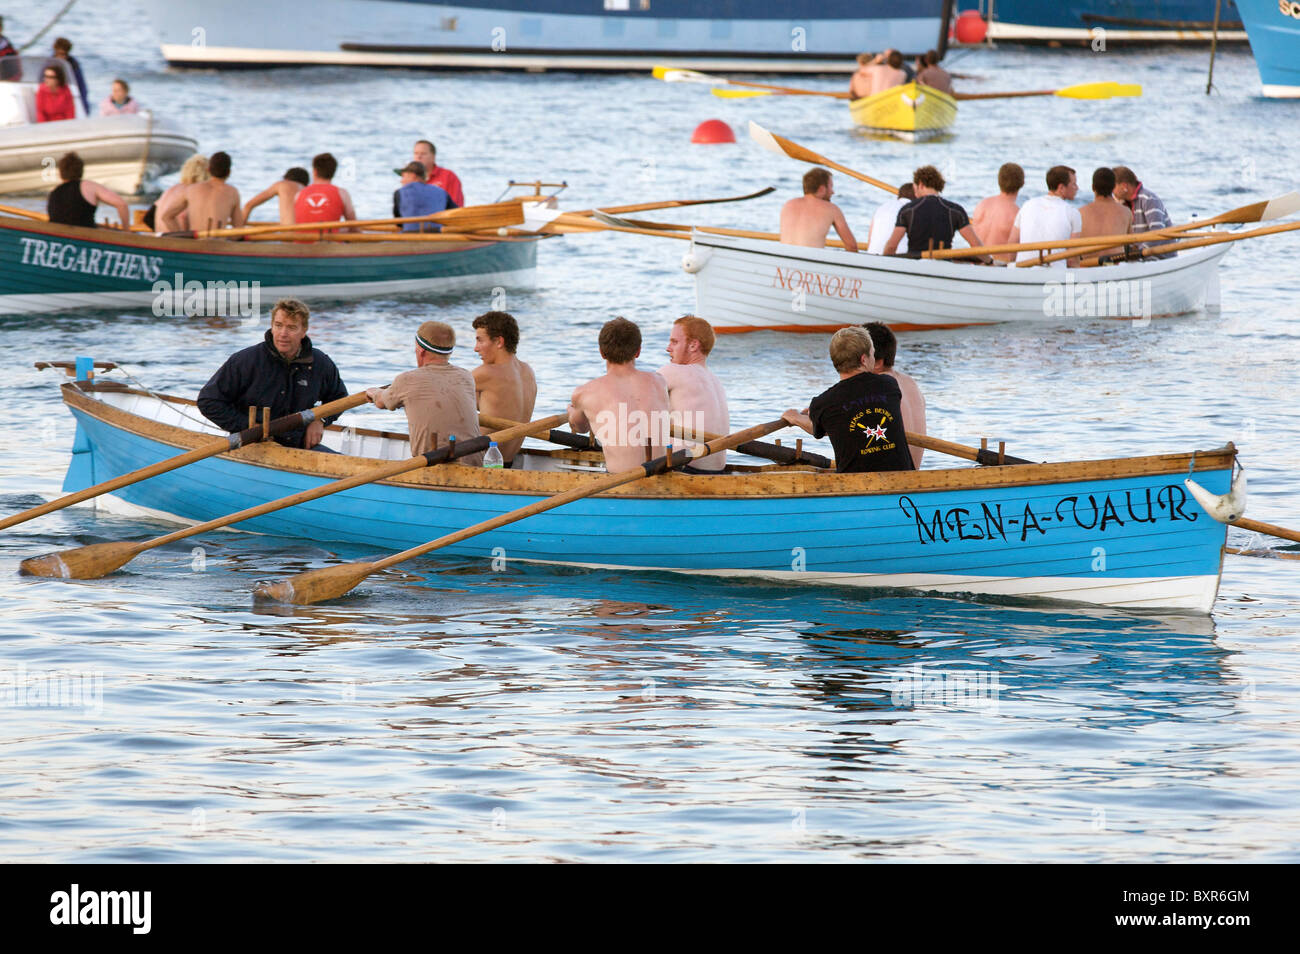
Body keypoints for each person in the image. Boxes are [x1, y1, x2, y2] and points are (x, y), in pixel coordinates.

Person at [197, 298, 348, 451]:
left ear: (304, 331)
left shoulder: (320, 363)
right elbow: (208, 401)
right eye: (278, 325)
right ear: (271, 326)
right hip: (250, 446)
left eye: (291, 327)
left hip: (299, 447)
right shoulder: (245, 360)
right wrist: (249, 428)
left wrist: (320, 420)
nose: (283, 333)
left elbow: (340, 398)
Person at [782, 326, 913, 473]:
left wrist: (795, 417)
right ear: (864, 359)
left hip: (855, 486)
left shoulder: (823, 403)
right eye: (872, 354)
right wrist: (818, 413)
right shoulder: (889, 384)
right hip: (904, 479)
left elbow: (820, 428)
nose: (874, 358)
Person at [367, 321, 484, 464]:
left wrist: (374, 392)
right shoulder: (466, 376)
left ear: (421, 351)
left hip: (434, 463)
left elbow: (380, 402)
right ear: (450, 352)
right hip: (476, 462)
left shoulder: (406, 379)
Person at [569, 317, 671, 473]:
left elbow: (580, 428)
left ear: (602, 353)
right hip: (662, 475)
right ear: (638, 351)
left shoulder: (584, 393)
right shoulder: (659, 382)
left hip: (620, 480)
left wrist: (572, 412)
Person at [657, 315, 729, 474]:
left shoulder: (673, 371)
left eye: (674, 342)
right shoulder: (716, 381)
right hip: (718, 470)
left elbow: (634, 397)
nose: (668, 348)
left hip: (687, 468)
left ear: (693, 345)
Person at [471, 310, 536, 467]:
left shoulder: (485, 373)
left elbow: (443, 391)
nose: (475, 348)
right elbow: (498, 406)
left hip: (481, 462)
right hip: (507, 462)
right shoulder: (527, 371)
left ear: (499, 342)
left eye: (480, 341)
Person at [883, 165, 989, 260]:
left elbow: (892, 246)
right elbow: (975, 245)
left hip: (915, 264)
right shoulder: (955, 210)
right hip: (944, 265)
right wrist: (990, 262)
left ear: (920, 184)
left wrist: (883, 263)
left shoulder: (908, 210)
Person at [863, 322, 926, 469]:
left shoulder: (878, 385)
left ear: (877, 363)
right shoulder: (910, 382)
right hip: (914, 473)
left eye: (859, 359)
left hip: (892, 478)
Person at [1008, 165, 1083, 265]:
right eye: (1074, 184)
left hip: (1022, 270)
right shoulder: (1072, 212)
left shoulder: (1027, 205)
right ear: (1061, 188)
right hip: (1054, 275)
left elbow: (1012, 246)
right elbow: (1072, 259)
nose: (1077, 188)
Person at [160, 150, 243, 233]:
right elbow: (238, 230)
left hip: (195, 243)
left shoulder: (191, 189)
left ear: (208, 170)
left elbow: (166, 217)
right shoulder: (233, 193)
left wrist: (182, 238)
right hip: (218, 243)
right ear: (229, 172)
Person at [780, 168, 858, 252]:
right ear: (822, 189)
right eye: (831, 187)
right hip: (809, 262)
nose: (833, 192)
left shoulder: (788, 204)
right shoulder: (831, 209)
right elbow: (852, 246)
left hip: (783, 262)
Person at [46, 152, 128, 229]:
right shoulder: (88, 186)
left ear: (60, 173)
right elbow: (121, 204)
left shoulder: (54, 192)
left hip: (58, 235)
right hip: (86, 235)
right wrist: (126, 231)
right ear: (81, 171)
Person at [970, 162, 1024, 263]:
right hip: (998, 266)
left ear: (999, 181)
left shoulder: (982, 204)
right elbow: (1015, 253)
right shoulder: (1017, 213)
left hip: (975, 261)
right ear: (1022, 183)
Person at [1113, 166, 1172, 255]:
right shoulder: (1122, 204)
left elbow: (1158, 232)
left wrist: (1139, 252)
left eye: (1113, 186)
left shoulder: (1148, 199)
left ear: (1124, 186)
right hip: (1138, 257)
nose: (1111, 191)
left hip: (1158, 257)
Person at [1078, 167, 1133, 261]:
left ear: (1092, 187)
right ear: (1113, 187)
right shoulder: (1126, 212)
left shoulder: (1080, 213)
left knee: (1069, 274)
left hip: (1088, 266)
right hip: (1114, 265)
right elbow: (1130, 243)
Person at [293, 152, 356, 228]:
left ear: (315, 172)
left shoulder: (299, 194)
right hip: (330, 239)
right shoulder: (342, 193)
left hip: (301, 238)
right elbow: (353, 227)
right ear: (333, 172)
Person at [147, 154, 208, 232]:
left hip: (161, 238)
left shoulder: (170, 189)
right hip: (176, 240)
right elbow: (183, 217)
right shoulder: (192, 191)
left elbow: (148, 218)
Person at [391, 160, 455, 232]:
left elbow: (399, 223)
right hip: (437, 236)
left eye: (403, 176)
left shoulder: (399, 193)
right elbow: (454, 215)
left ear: (413, 176)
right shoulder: (442, 192)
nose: (401, 181)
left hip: (410, 236)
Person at [242, 167, 309, 226]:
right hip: (308, 234)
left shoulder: (282, 184)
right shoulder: (308, 190)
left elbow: (248, 205)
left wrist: (239, 232)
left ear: (286, 178)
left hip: (289, 234)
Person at [866, 182, 914, 255]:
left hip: (872, 254)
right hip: (896, 259)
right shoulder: (912, 210)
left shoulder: (881, 207)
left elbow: (870, 240)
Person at [413, 139, 464, 208]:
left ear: (433, 157)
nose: (418, 157)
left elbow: (456, 206)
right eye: (416, 153)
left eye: (423, 154)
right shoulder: (411, 178)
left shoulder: (448, 176)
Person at [49, 37, 89, 115]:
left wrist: (84, 109)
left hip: (67, 98)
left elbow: (82, 88)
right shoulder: (49, 64)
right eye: (60, 54)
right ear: (55, 52)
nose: (62, 57)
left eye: (64, 54)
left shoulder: (73, 66)